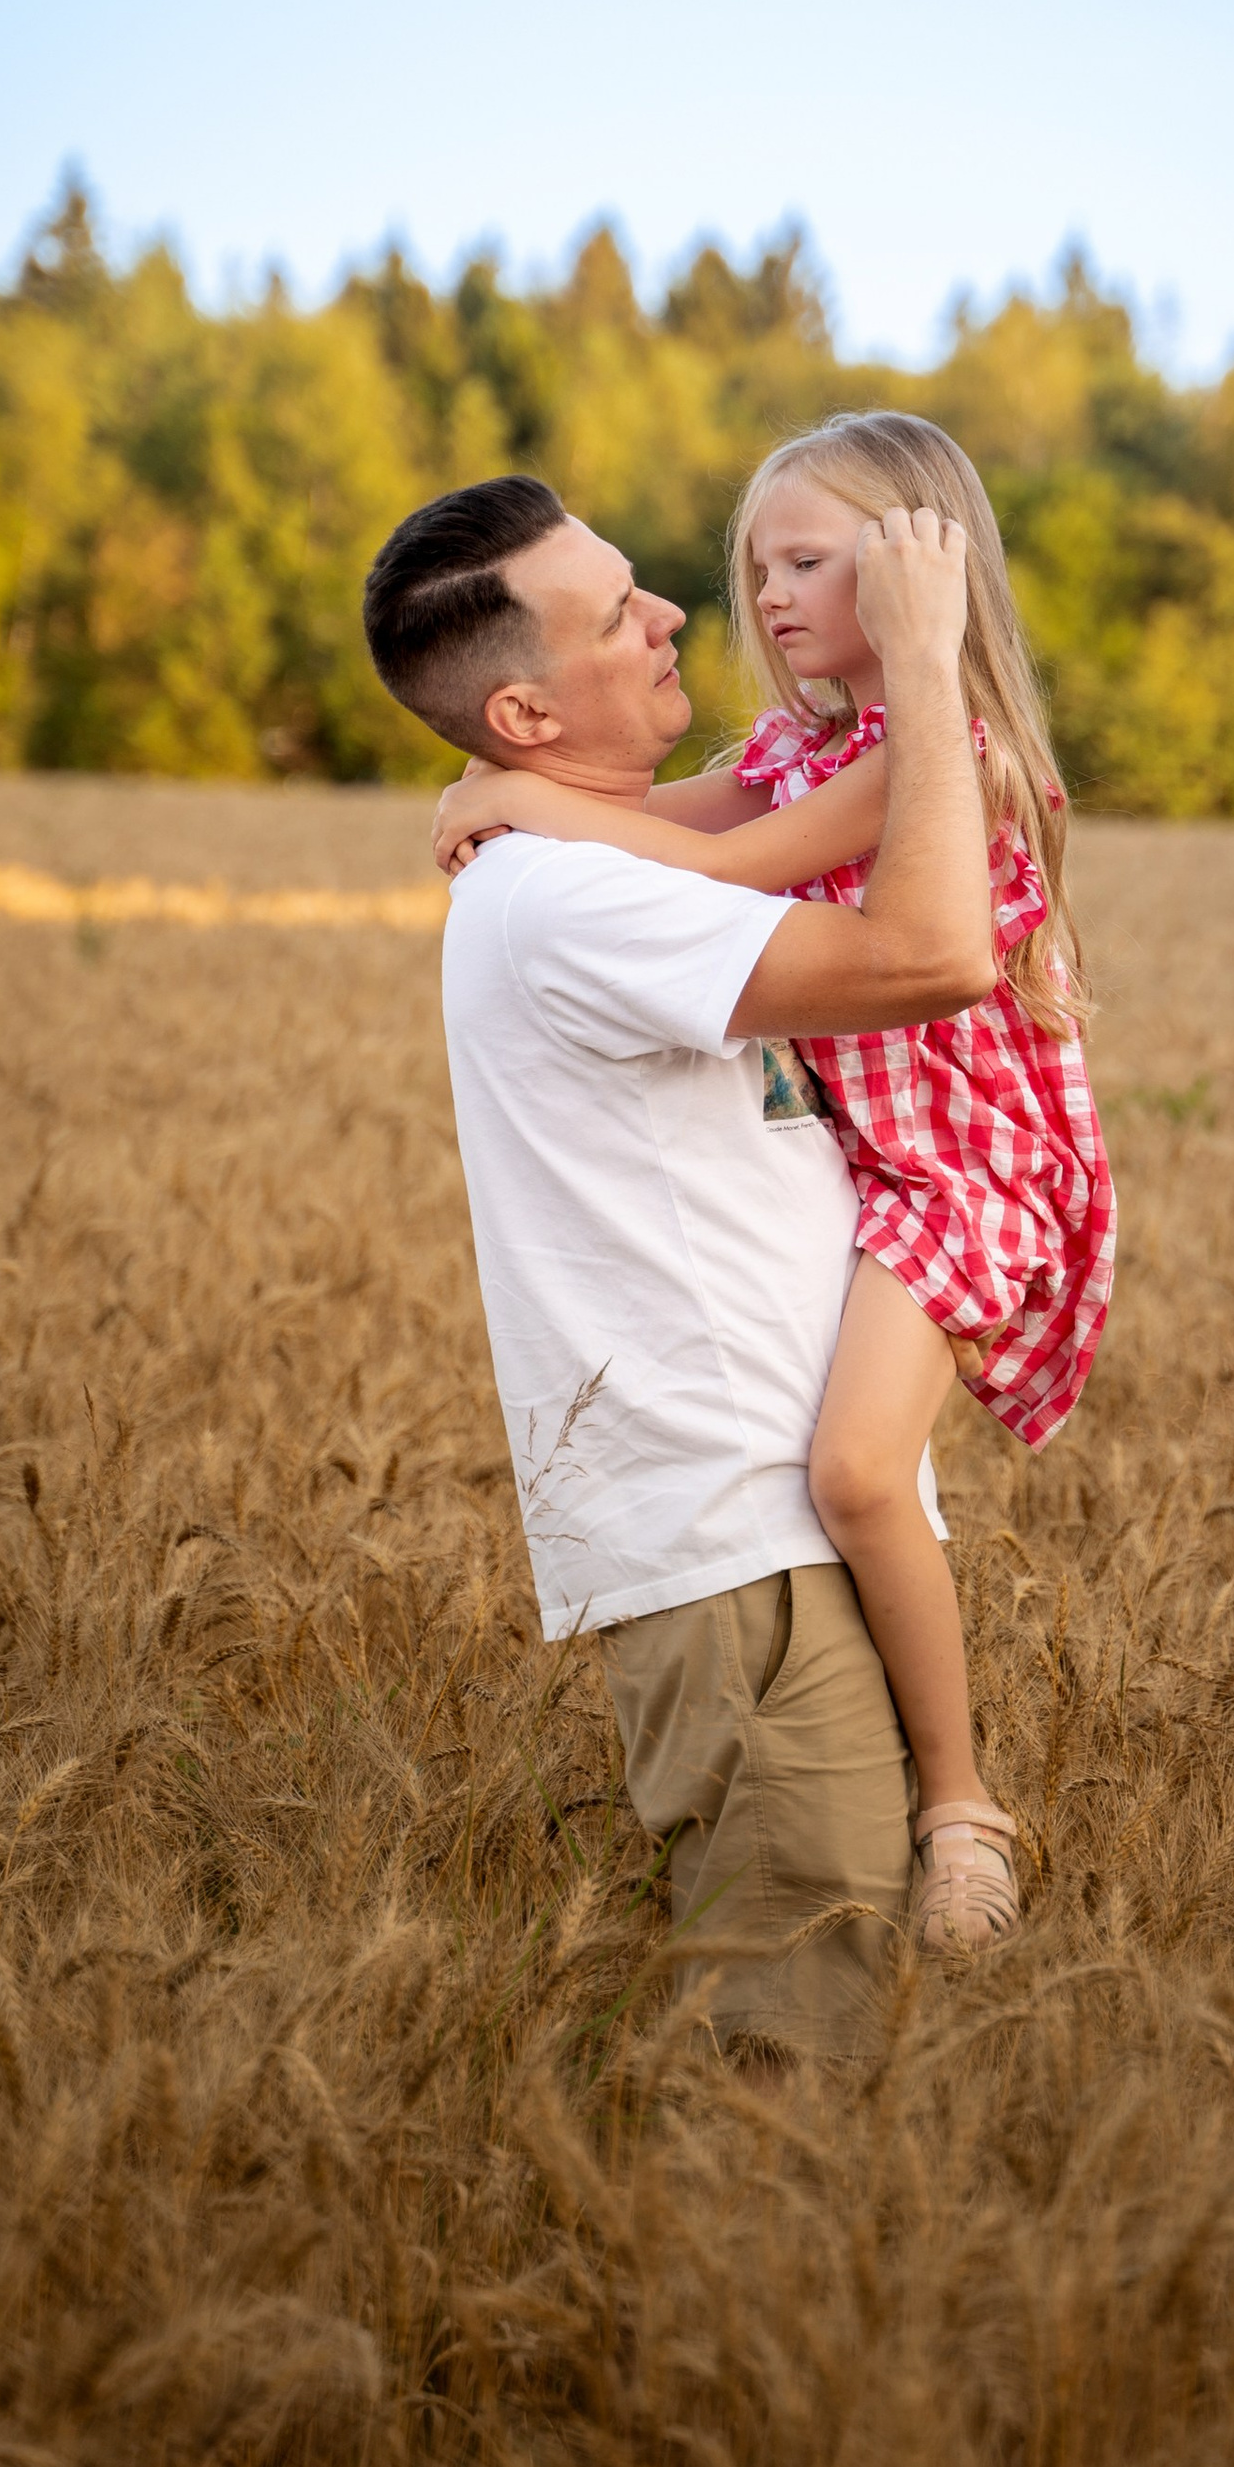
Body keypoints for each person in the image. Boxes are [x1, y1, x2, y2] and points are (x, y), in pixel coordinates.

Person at [433, 413, 1113, 1962]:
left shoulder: (944, 757)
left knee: (860, 1475)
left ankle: (962, 1808)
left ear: (923, 575)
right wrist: (515, 788)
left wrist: (519, 802)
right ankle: (933, 1793)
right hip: (888, 1156)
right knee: (857, 1476)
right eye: (763, 563)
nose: (770, 591)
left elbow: (730, 866)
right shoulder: (810, 746)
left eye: (812, 559)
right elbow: (671, 823)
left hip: (966, 1163)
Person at [361, 471, 999, 2061]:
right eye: (614, 614)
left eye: (643, 584)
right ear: (522, 706)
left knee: (842, 2019)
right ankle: (743, 2298)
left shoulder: (585, 854)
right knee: (804, 2046)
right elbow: (935, 954)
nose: (671, 616)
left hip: (773, 1533)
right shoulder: (569, 894)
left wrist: (517, 796)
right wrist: (925, 659)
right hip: (740, 1555)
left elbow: (741, 828)